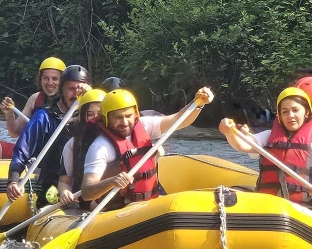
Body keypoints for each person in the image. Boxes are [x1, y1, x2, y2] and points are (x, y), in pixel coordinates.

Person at [78, 87, 213, 209]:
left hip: (147, 203)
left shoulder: (144, 125)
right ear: (106, 118)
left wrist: (198, 104)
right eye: (118, 117)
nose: (124, 122)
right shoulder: (100, 147)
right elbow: (87, 192)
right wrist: (112, 181)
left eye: (128, 116)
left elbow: (178, 120)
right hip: (116, 210)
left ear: (135, 114)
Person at [219, 87, 312, 211]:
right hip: (269, 205)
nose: (290, 115)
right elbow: (243, 145)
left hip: (306, 209)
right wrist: (229, 133)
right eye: (285, 112)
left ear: (307, 112)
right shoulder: (268, 136)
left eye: (295, 110)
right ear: (280, 116)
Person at [5, 65, 92, 204]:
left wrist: (91, 99)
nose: (76, 94)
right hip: (53, 188)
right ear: (61, 90)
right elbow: (22, 149)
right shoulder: (44, 117)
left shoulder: (92, 116)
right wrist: (13, 181)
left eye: (80, 89)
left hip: (87, 188)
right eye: (71, 89)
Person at [0, 56, 65, 162]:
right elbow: (15, 133)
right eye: (45, 78)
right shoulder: (35, 99)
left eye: (54, 79)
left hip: (54, 157)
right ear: (40, 80)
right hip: (29, 152)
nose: (49, 83)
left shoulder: (69, 102)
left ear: (63, 81)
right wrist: (9, 114)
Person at [55, 88, 106, 208]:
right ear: (83, 117)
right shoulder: (73, 144)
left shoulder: (120, 138)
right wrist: (65, 192)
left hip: (114, 199)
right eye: (89, 114)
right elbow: (64, 181)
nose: (95, 118)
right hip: (87, 202)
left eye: (99, 114)